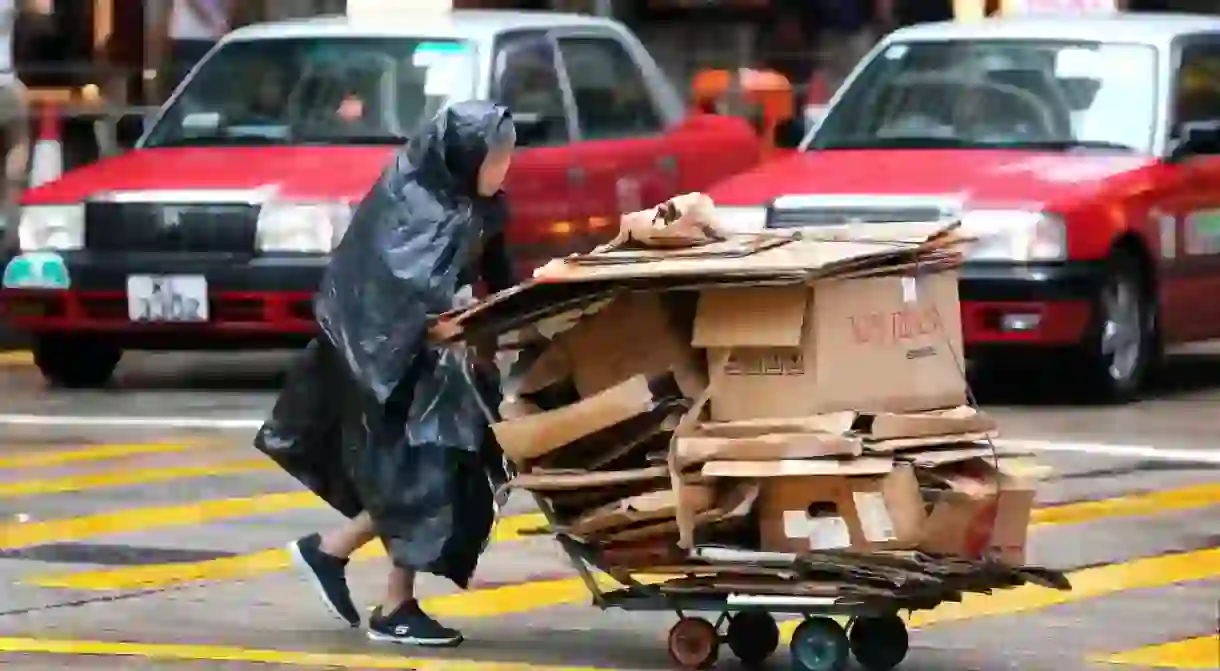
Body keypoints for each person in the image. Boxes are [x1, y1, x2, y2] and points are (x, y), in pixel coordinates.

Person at [254, 100, 516, 647]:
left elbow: (499, 279)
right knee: (424, 474)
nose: (504, 168)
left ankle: (349, 565)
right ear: (465, 155)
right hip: (382, 361)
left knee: (427, 475)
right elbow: (394, 285)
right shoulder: (412, 200)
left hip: (432, 363)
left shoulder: (479, 206)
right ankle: (379, 591)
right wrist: (442, 322)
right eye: (496, 156)